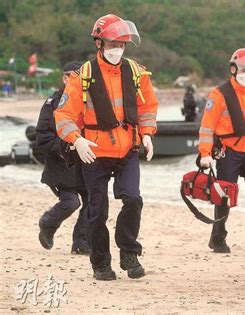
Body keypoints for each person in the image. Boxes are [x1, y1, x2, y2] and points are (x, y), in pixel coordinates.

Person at [54, 14, 159, 281]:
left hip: (127, 151)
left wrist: (147, 134)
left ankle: (129, 253)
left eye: (122, 45)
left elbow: (147, 108)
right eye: (113, 44)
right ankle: (100, 263)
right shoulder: (83, 77)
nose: (118, 50)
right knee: (97, 210)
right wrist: (76, 140)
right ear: (99, 43)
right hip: (94, 154)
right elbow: (64, 115)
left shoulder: (137, 73)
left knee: (133, 199)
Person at [198, 48, 245, 253]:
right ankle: (218, 238)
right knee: (224, 197)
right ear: (234, 68)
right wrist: (205, 154)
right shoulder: (218, 95)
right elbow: (207, 127)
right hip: (229, 151)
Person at [36, 62, 90, 255]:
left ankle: (81, 242)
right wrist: (65, 148)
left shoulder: (89, 100)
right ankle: (48, 224)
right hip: (60, 164)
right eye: (72, 78)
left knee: (94, 202)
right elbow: (42, 137)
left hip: (86, 161)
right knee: (71, 202)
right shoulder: (52, 103)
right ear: (65, 79)